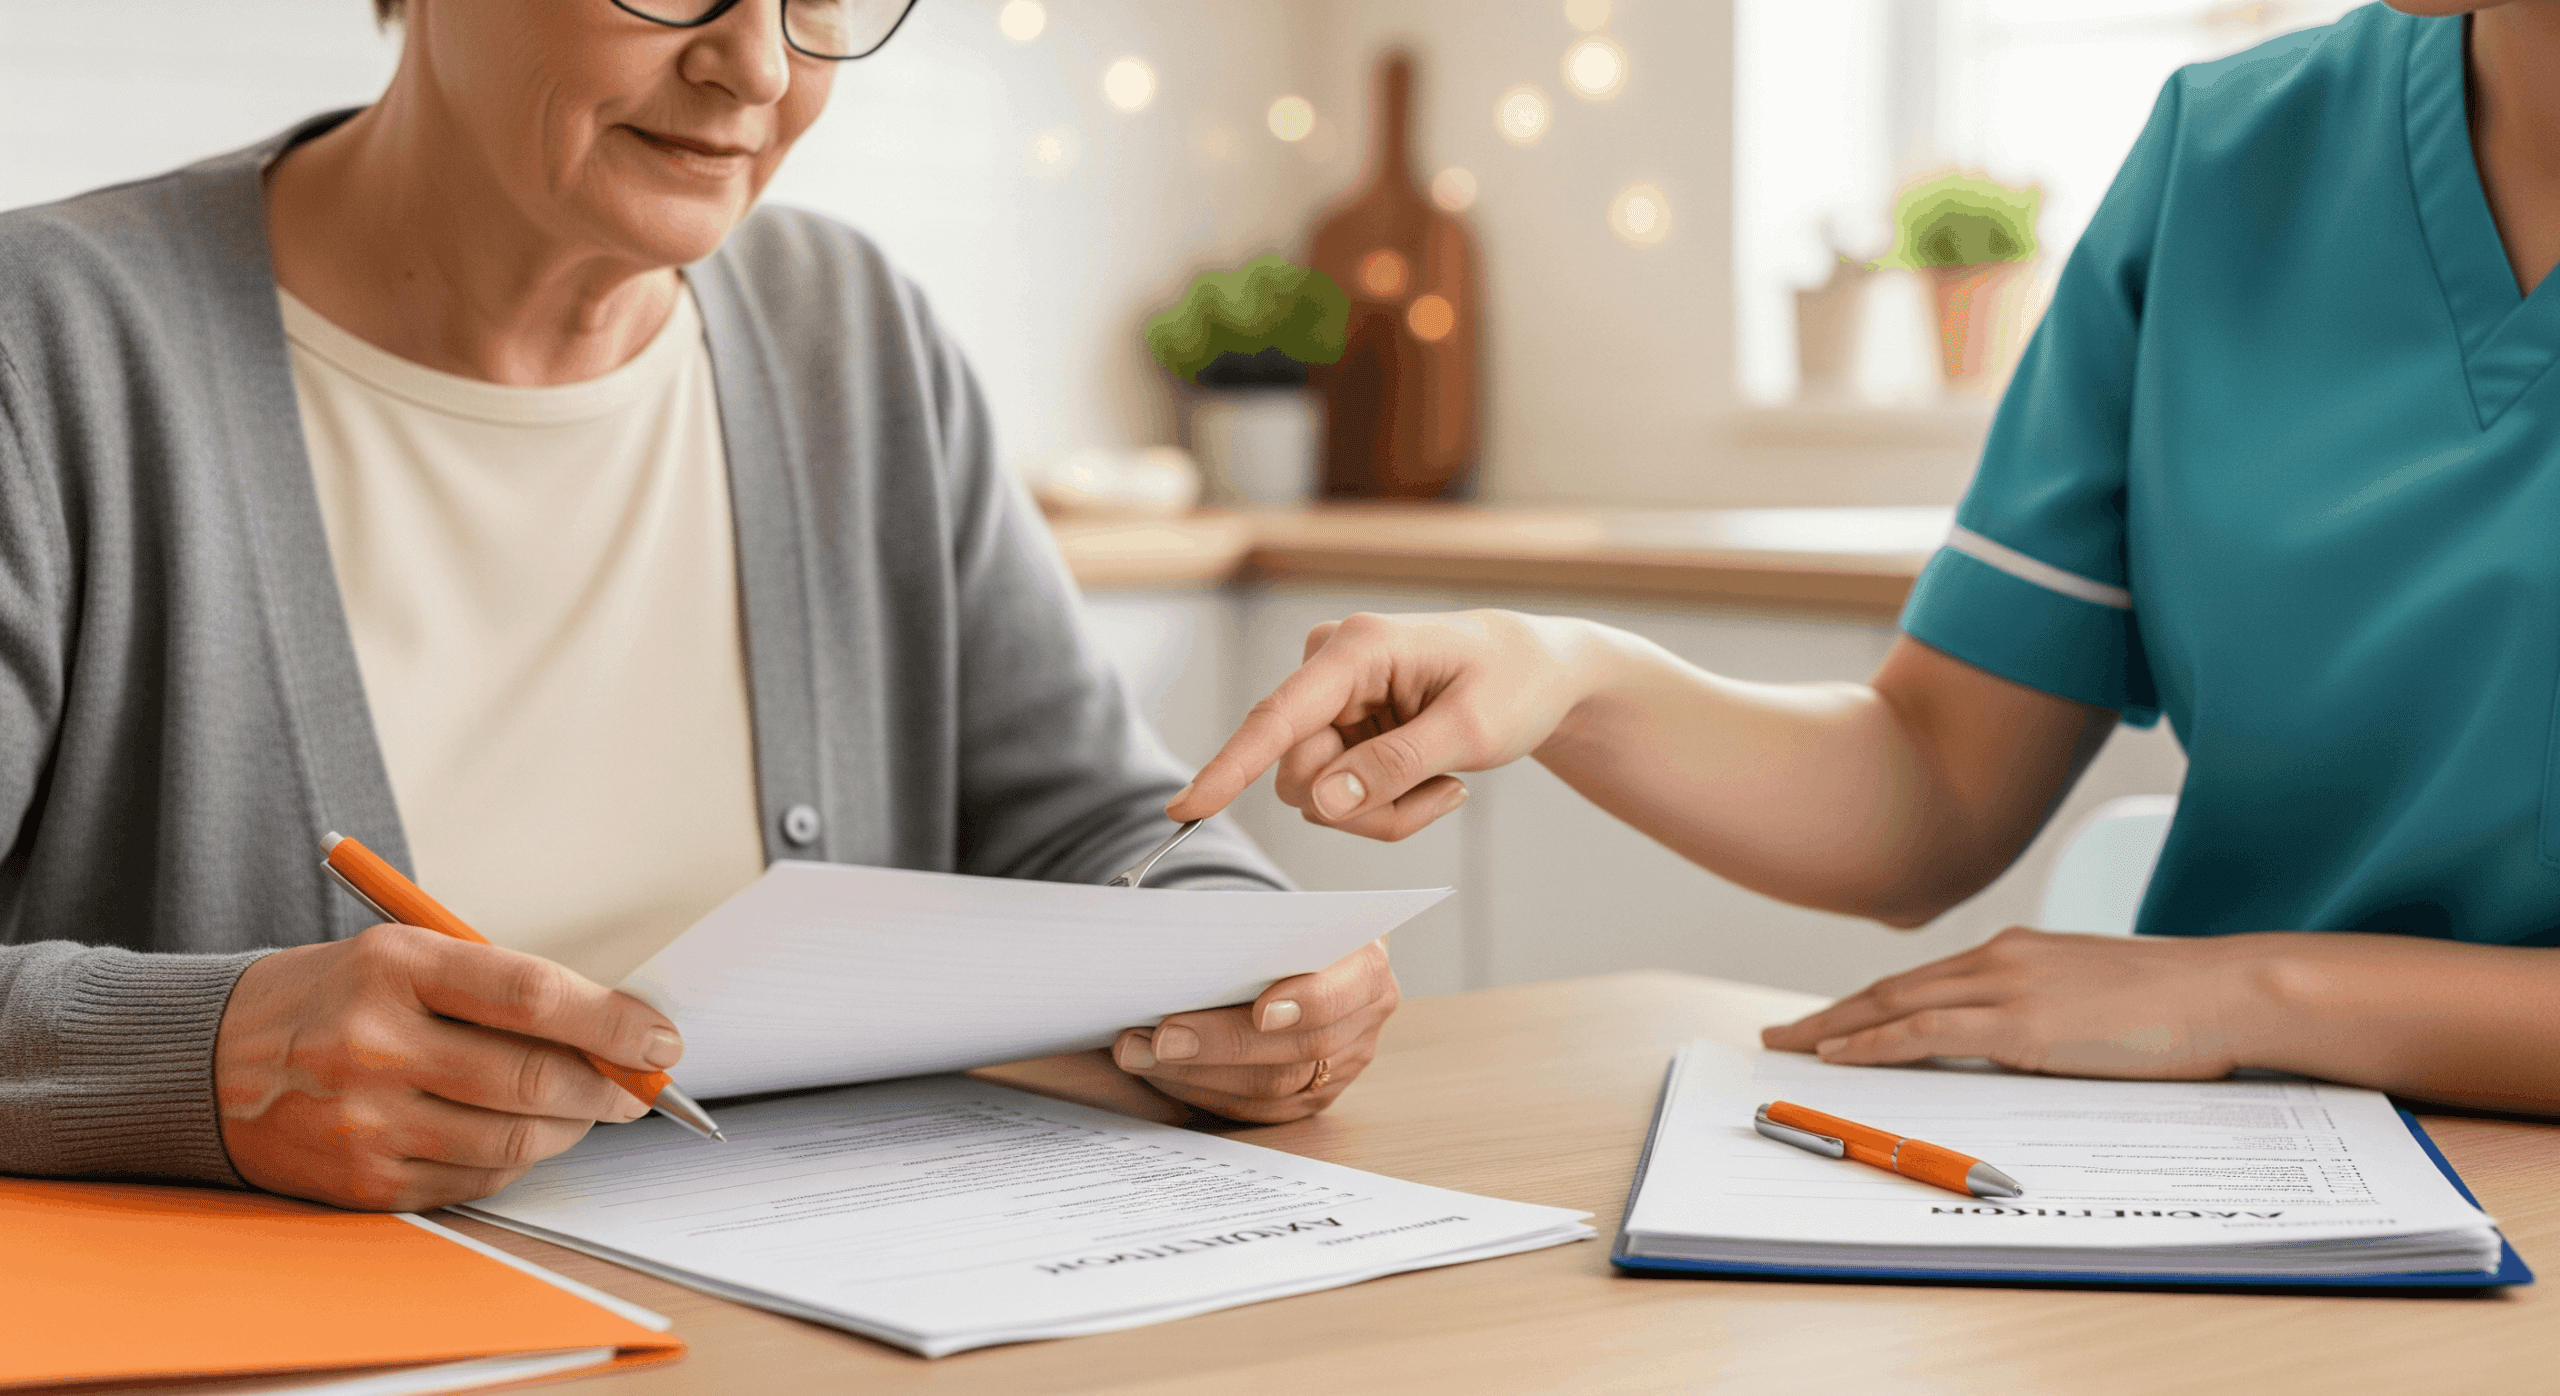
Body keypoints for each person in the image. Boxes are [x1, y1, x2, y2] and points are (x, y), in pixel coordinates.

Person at [0, 0, 1397, 1212]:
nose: (760, 69)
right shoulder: (45, 346)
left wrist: (1255, 972)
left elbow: (1084, 821)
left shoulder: (851, 332)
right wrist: (196, 1061)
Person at [1171, 0, 2560, 1116]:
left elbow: (2226, 993)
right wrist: (1572, 679)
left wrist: (2251, 997)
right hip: (2214, 1168)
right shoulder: (2235, 152)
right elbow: (1934, 785)